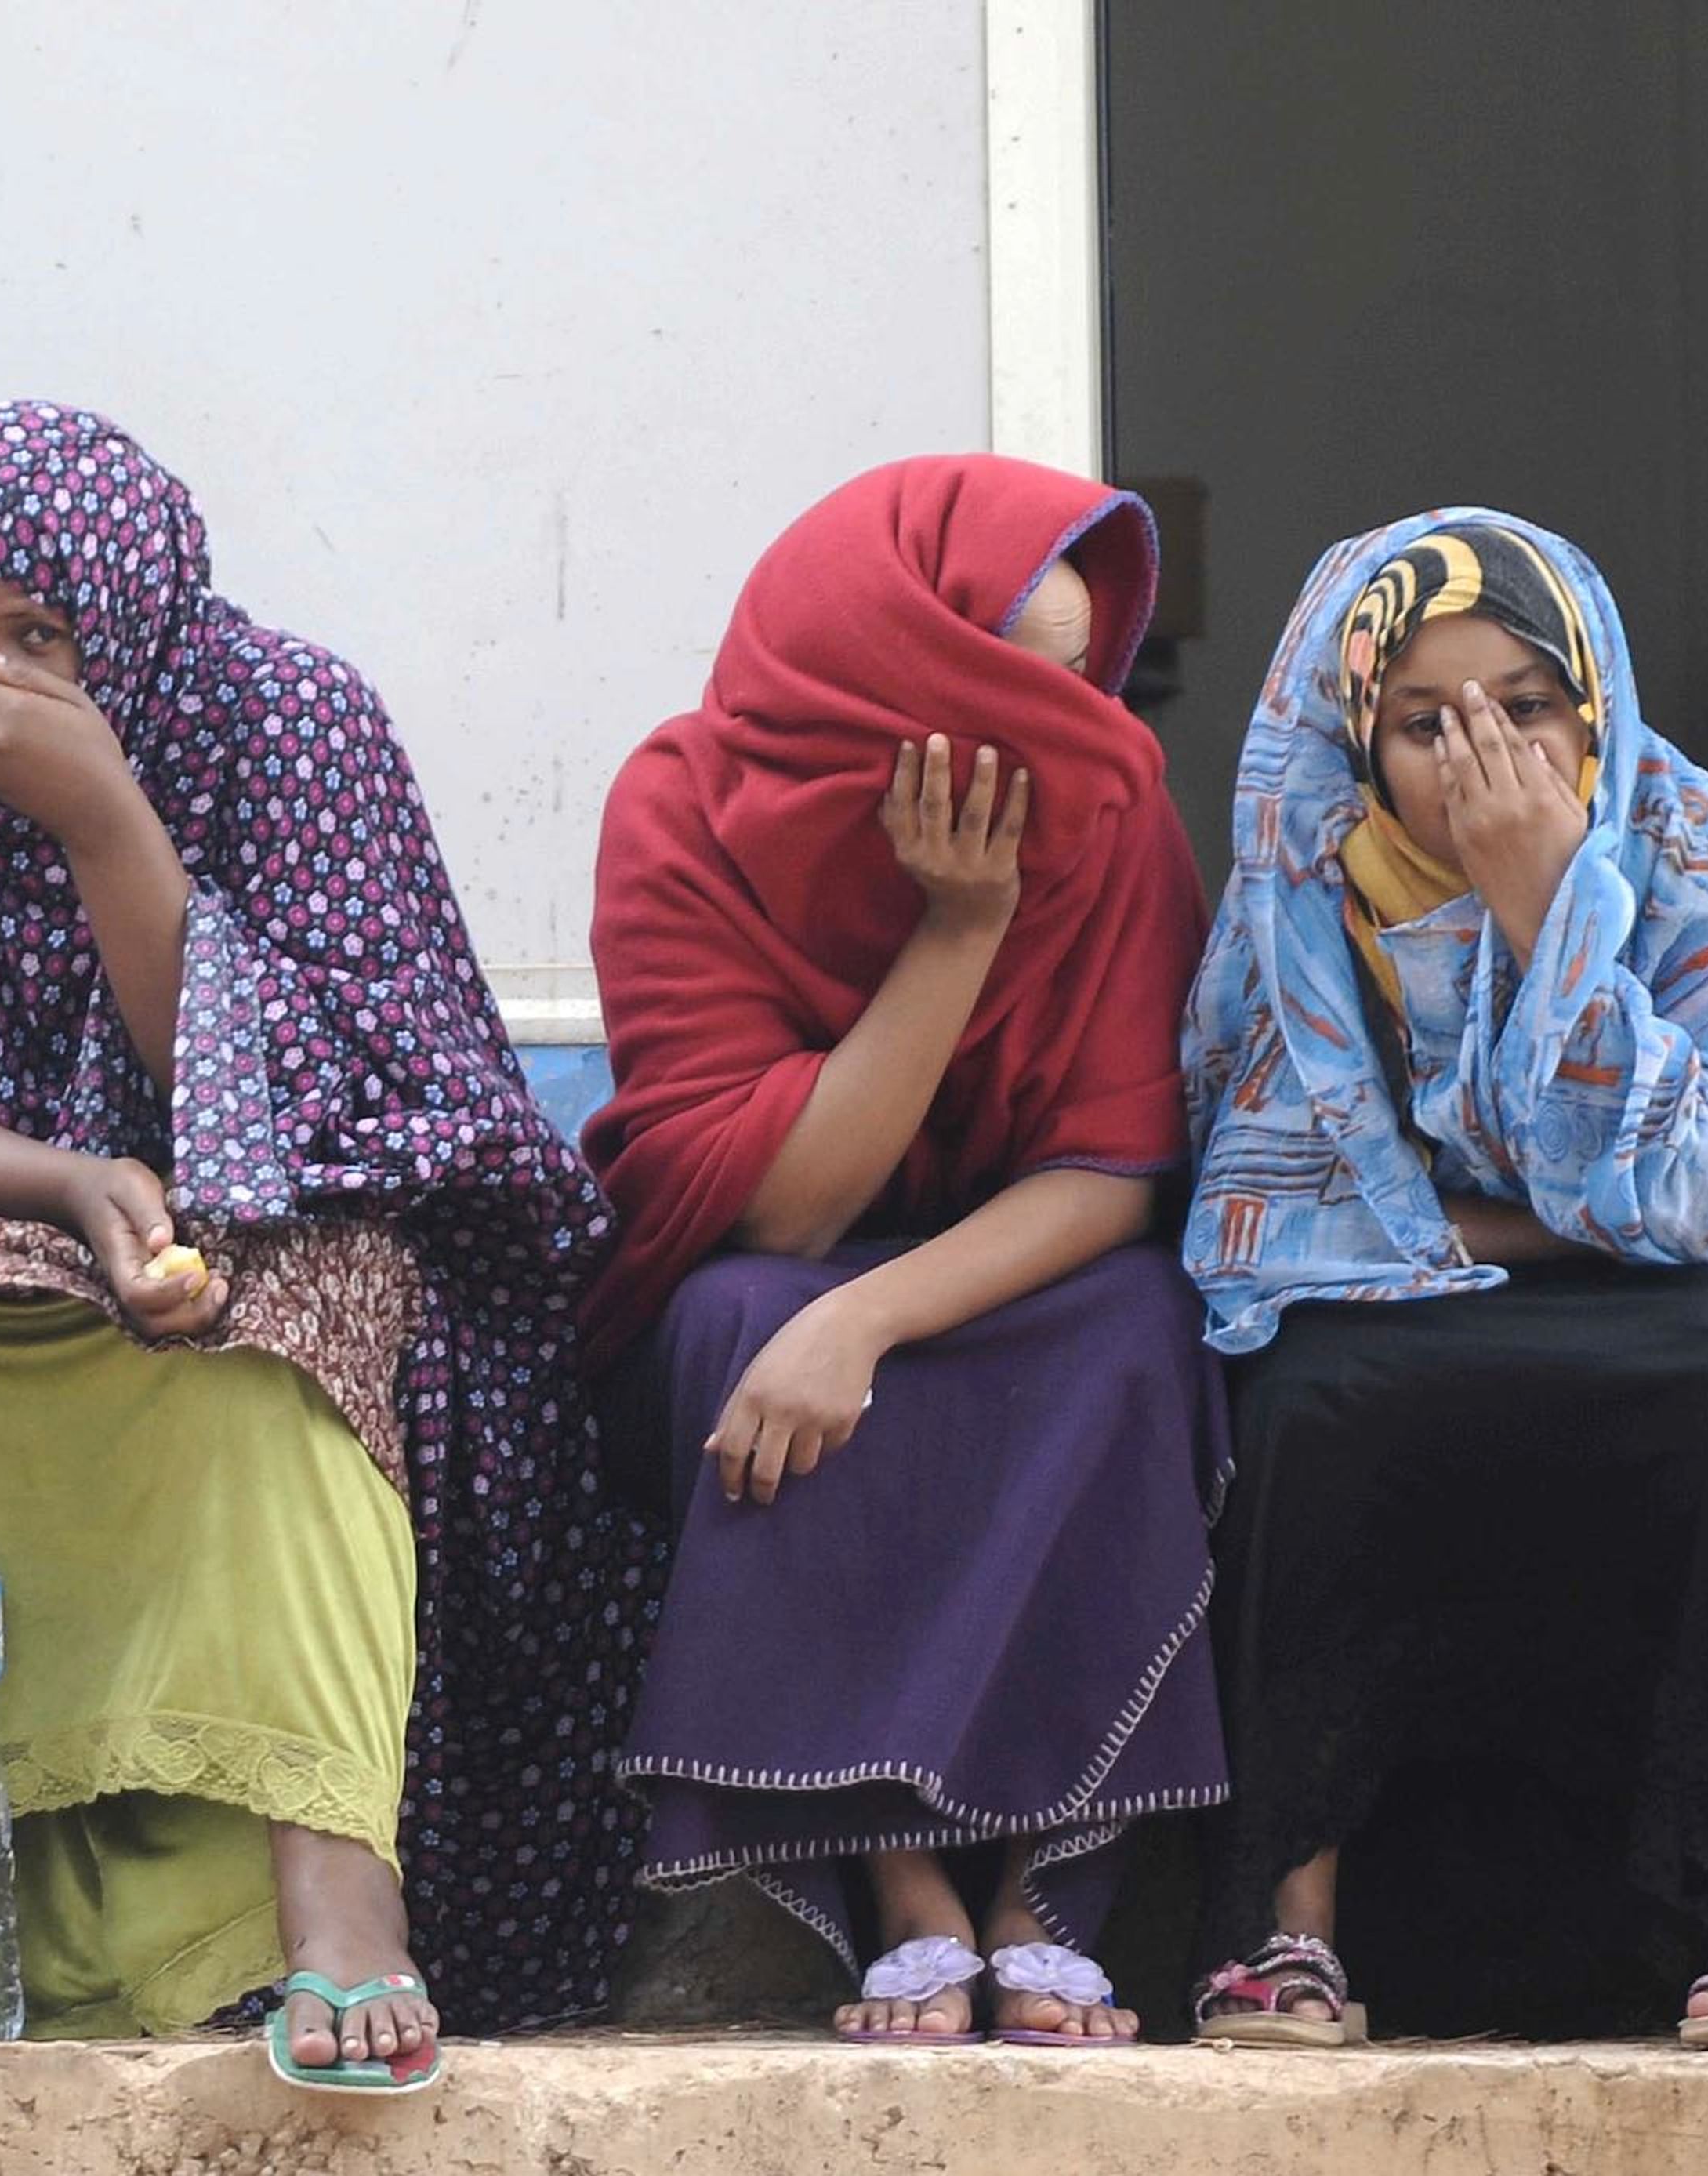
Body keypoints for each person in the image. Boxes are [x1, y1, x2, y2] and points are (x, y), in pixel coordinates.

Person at [0, 402, 655, 2084]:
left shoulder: (295, 722)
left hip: (292, 1204)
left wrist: (107, 818)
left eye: (41, 636)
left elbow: (346, 1104)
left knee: (298, 1341)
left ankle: (335, 1896)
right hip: (5, 1211)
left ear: (138, 614)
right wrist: (57, 1181)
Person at [1181, 510, 1708, 2047]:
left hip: (1636, 1310)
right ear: (1349, 731)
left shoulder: (1684, 841)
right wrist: (1648, 1220)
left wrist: (1543, 910)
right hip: (1383, 1306)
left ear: (1591, 703)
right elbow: (1267, 1215)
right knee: (1309, 1411)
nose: (1479, 754)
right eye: (1420, 719)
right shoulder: (1295, 882)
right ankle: (1283, 1928)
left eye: (1525, 705)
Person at [581, 455, 1228, 2047]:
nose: (1065, 723)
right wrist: (954, 931)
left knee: (1140, 1323)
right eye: (1004, 676)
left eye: (1080, 681)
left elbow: (1112, 1172)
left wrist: (866, 1320)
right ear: (893, 666)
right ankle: (897, 1879)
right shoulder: (682, 806)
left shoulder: (1112, 810)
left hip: (1017, 1265)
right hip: (792, 1256)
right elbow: (782, 1212)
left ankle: (1033, 1882)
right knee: (741, 1313)